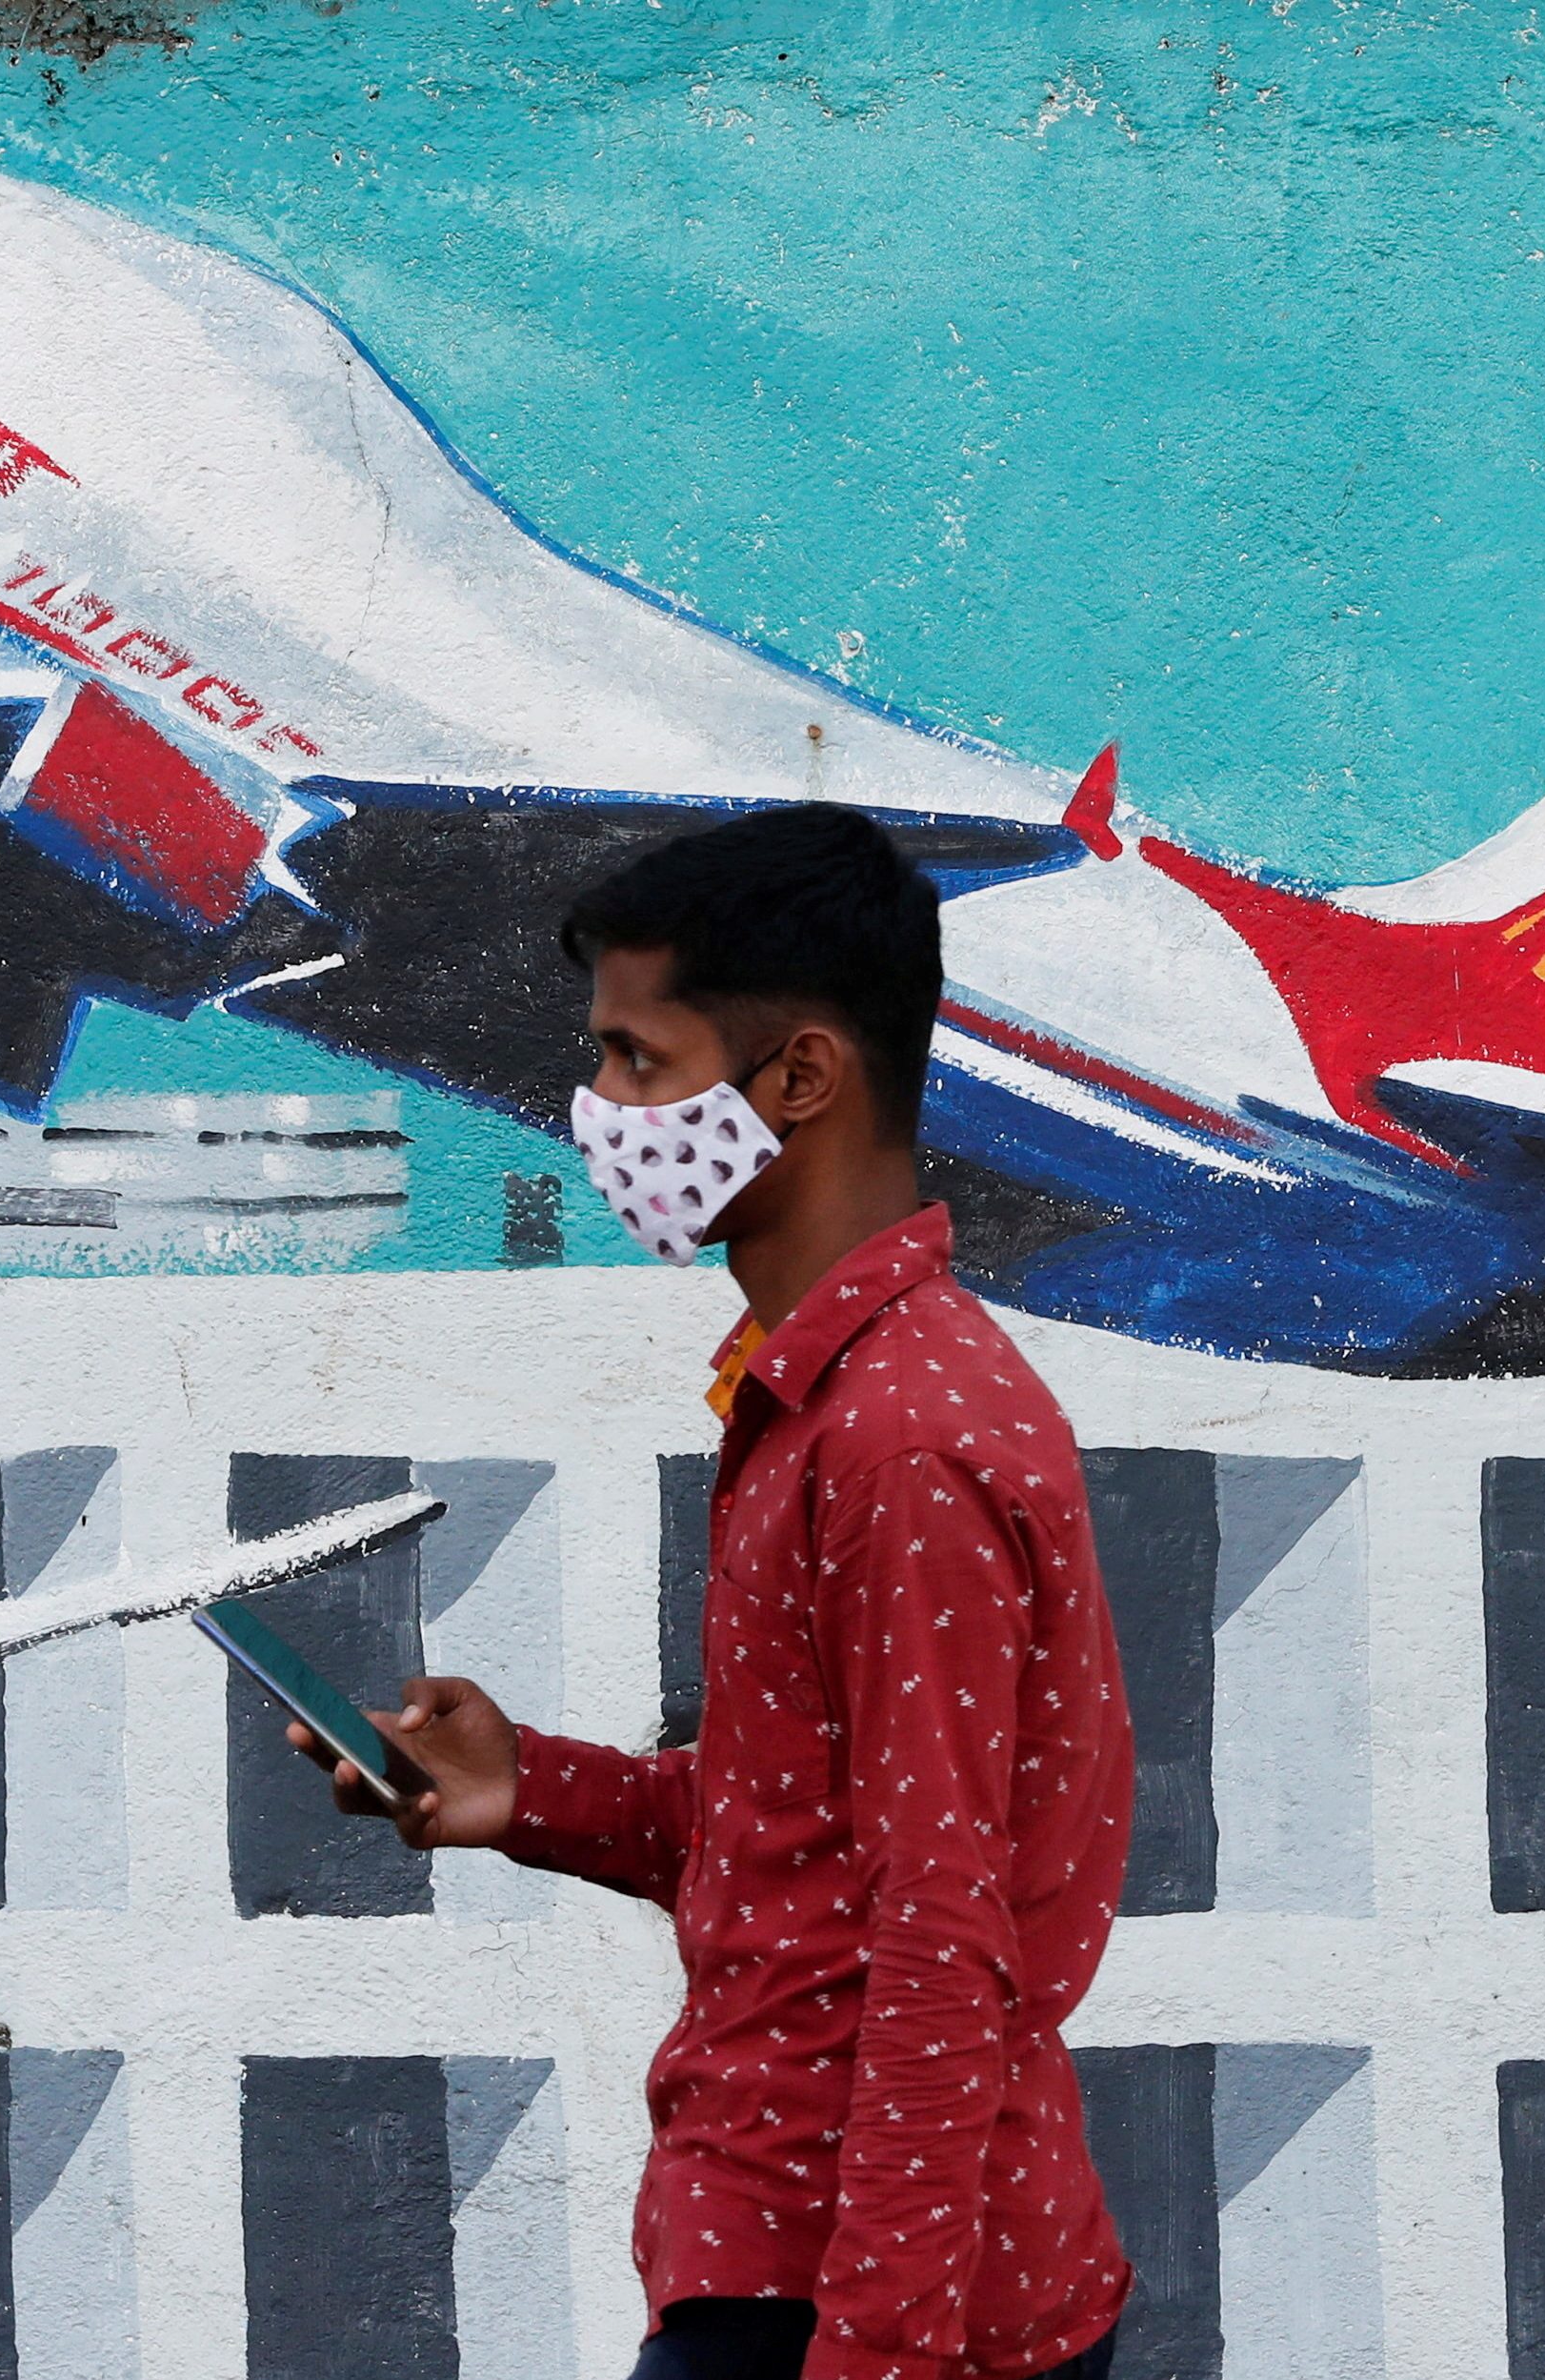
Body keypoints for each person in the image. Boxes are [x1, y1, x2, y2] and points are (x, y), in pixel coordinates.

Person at [292, 802, 1136, 2380]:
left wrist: (871, 2356)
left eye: (636, 1060)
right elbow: (815, 1843)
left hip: (840, 2302)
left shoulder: (900, 1442)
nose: (599, 1108)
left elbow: (941, 1942)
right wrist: (525, 1788)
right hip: (784, 2264)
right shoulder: (827, 1400)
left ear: (800, 1078)